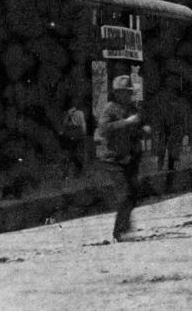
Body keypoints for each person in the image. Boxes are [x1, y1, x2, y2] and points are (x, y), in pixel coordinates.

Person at [97, 75, 149, 242]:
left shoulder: (133, 108)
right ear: (116, 93)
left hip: (131, 157)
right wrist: (126, 122)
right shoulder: (109, 109)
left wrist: (144, 129)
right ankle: (119, 232)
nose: (126, 95)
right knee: (125, 194)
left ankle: (124, 227)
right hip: (113, 159)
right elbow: (103, 129)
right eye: (122, 92)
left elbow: (138, 128)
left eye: (128, 92)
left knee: (134, 195)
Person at [61, 101, 88, 176]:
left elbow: (65, 124)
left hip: (74, 134)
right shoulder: (78, 112)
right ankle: (76, 169)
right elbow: (82, 124)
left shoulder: (74, 113)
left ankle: (69, 172)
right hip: (75, 134)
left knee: (71, 153)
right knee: (72, 153)